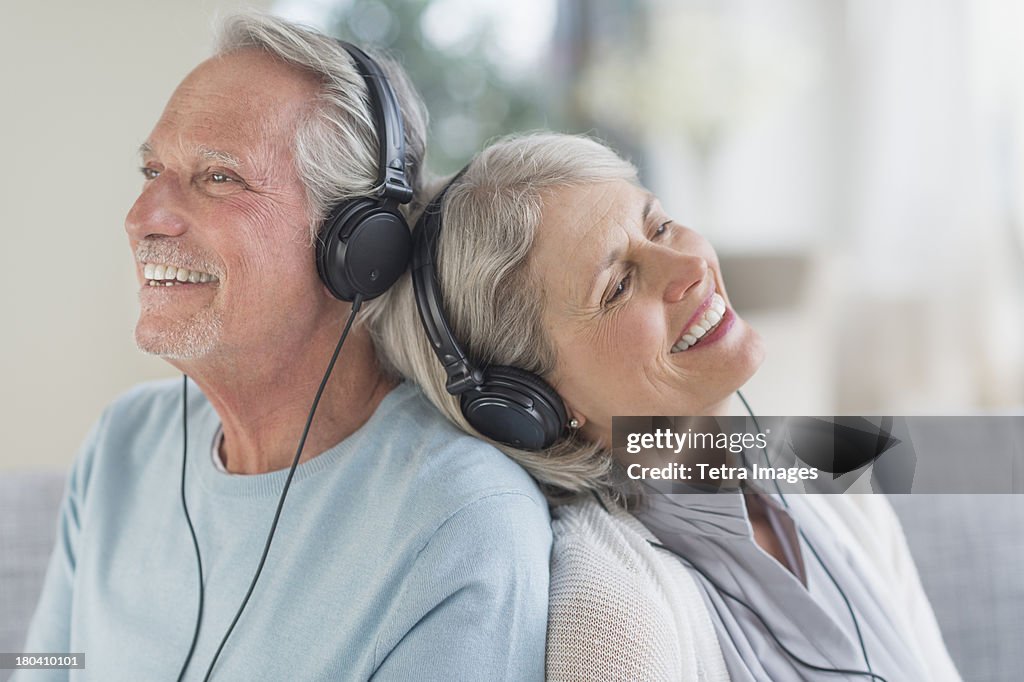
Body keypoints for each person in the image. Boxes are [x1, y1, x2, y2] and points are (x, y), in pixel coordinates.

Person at [17, 14, 551, 681]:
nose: (142, 217)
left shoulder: (462, 524)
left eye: (218, 178)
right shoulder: (120, 447)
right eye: (152, 169)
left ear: (361, 249)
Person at [367, 132, 963, 680]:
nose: (690, 268)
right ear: (531, 404)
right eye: (618, 285)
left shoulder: (832, 487)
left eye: (659, 227)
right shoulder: (612, 619)